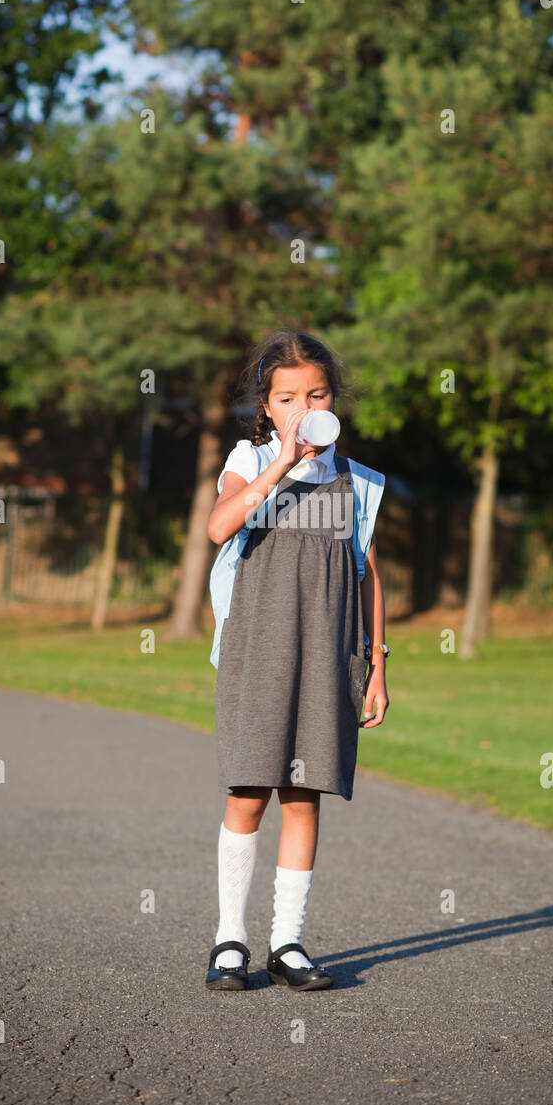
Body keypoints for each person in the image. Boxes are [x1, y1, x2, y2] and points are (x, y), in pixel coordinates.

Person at [205, 331, 389, 992]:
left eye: (316, 393)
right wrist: (280, 463)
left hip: (327, 656)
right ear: (267, 404)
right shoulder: (248, 459)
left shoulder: (357, 480)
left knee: (304, 797)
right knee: (248, 792)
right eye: (287, 397)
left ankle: (288, 943)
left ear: (332, 398)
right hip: (259, 653)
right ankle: (231, 941)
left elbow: (367, 575)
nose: (303, 405)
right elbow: (219, 526)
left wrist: (378, 666)